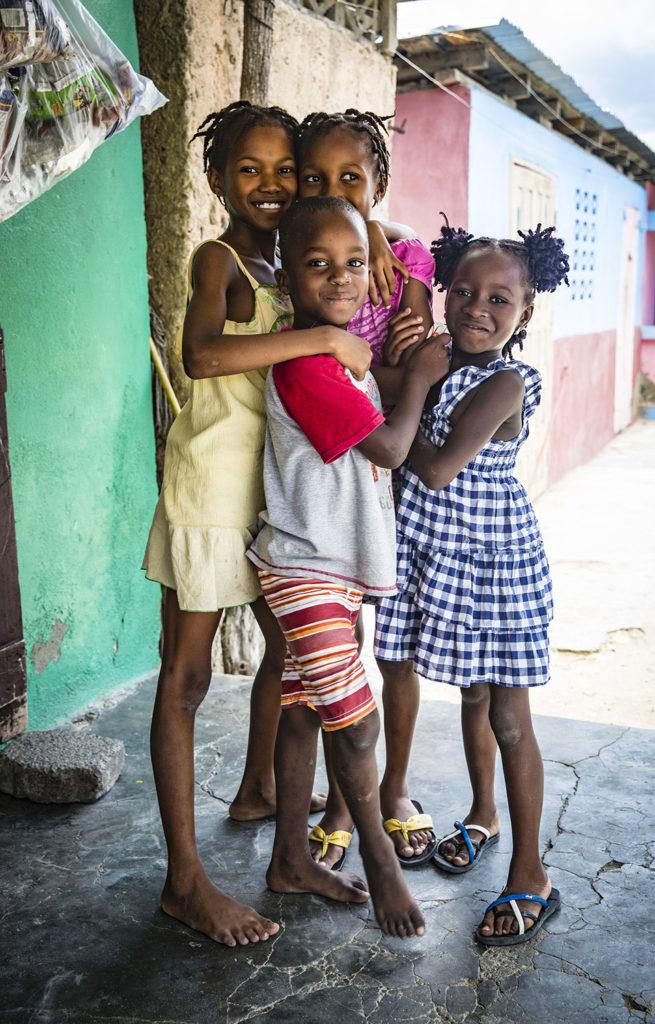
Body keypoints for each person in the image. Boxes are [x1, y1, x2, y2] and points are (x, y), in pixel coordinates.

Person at [141, 100, 372, 947]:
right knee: (188, 679)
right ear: (215, 178)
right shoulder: (221, 259)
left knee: (290, 660)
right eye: (250, 169)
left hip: (270, 500)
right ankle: (185, 882)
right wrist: (314, 339)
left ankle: (269, 816)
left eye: (287, 171)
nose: (271, 185)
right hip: (208, 494)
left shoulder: (288, 269)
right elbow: (202, 355)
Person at [247, 196, 450, 937]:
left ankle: (290, 861)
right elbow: (391, 450)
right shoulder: (305, 363)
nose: (340, 277)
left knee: (305, 711)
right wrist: (423, 374)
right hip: (306, 567)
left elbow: (406, 239)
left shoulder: (331, 350)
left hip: (330, 565)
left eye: (354, 263)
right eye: (317, 263)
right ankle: (381, 862)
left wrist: (389, 248)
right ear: (287, 277)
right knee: (356, 727)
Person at [374, 219, 570, 945]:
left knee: (508, 717)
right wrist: (414, 376)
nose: (477, 309)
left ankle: (530, 873)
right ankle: (483, 815)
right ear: (441, 291)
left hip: (490, 564)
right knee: (472, 693)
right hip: (431, 555)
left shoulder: (506, 380)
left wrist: (412, 386)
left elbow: (430, 466)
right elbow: (388, 238)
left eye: (499, 299)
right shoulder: (431, 358)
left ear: (524, 313)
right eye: (462, 290)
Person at [296, 108, 439, 869]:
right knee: (337, 655)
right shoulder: (302, 258)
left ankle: (393, 790)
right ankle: (347, 808)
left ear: (378, 181)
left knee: (397, 646)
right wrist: (381, 374)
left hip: (391, 474)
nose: (333, 190)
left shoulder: (403, 255)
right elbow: (387, 372)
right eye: (314, 178)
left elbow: (418, 360)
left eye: (351, 177)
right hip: (324, 474)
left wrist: (382, 375)